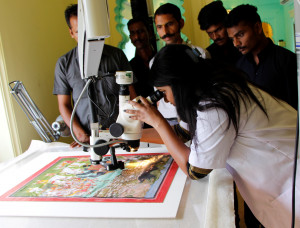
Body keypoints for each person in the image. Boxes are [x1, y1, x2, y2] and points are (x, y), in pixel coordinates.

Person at [126, 44, 299, 228]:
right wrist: (127, 135)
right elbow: (181, 134)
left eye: (164, 92)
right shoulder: (208, 87)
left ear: (179, 83)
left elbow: (194, 170)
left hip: (290, 176)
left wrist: (158, 121)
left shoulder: (215, 103)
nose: (166, 100)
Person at [53, 4, 135, 148]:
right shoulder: (64, 64)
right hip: (87, 138)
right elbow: (64, 105)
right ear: (71, 32)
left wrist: (131, 130)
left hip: (120, 134)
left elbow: (132, 96)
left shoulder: (117, 56)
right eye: (79, 32)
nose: (86, 37)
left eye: (88, 31)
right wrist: (80, 134)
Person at [226, 4, 297, 109]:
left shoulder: (287, 60)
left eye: (240, 35)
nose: (236, 43)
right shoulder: (239, 66)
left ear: (257, 28)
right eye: (232, 39)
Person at [153, 3, 210, 125]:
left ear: (181, 23)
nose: (165, 32)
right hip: (167, 120)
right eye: (159, 27)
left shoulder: (199, 54)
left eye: (169, 24)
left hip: (195, 118)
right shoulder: (155, 61)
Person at [198, 0, 241, 66]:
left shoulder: (243, 47)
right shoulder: (208, 54)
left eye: (218, 30)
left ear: (227, 23)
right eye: (210, 33)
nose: (215, 37)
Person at [127, 17, 156, 98]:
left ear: (149, 33)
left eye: (140, 31)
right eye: (133, 33)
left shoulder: (160, 59)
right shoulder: (130, 67)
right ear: (130, 38)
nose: (137, 37)